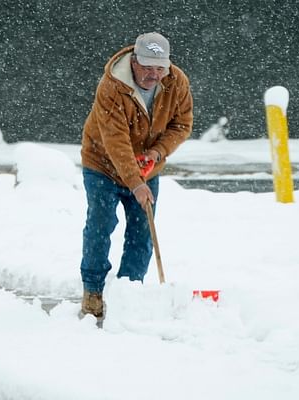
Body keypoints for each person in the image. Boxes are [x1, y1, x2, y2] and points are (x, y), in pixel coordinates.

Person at [79, 32, 194, 318]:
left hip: (147, 164)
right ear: (134, 61)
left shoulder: (176, 81)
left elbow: (182, 124)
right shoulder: (112, 86)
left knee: (142, 231)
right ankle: (92, 290)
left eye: (159, 68)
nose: (153, 74)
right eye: (147, 67)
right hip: (102, 164)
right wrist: (136, 183)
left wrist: (157, 151)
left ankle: (130, 290)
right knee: (100, 224)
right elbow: (115, 141)